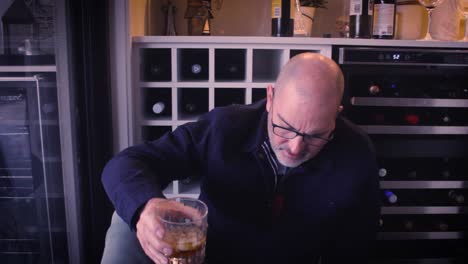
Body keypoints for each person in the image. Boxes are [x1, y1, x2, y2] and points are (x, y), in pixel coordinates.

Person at [101, 53, 380, 264]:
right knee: (123, 223)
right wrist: (145, 208)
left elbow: (357, 247)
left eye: (315, 135)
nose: (295, 148)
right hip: (213, 258)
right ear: (270, 98)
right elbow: (128, 163)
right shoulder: (225, 127)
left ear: (337, 114)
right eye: (284, 126)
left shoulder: (357, 153)